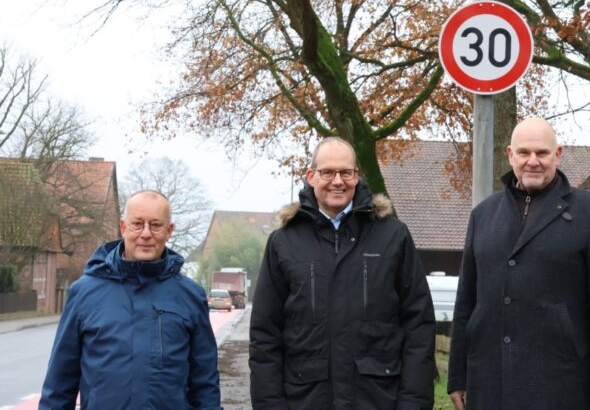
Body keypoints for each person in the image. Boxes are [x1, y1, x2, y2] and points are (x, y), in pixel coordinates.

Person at [448, 118, 590, 410]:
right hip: (489, 382)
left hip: (561, 384)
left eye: (542, 153)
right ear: (510, 155)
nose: (533, 161)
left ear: (558, 154)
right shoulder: (483, 215)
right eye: (524, 153)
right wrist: (458, 376)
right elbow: (466, 302)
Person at [249, 137, 436, 409]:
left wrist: (413, 404)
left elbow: (418, 326)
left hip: (378, 400)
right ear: (311, 176)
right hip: (305, 401)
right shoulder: (284, 242)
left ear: (356, 176)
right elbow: (265, 335)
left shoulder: (393, 236)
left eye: (346, 172)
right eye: (327, 172)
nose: (338, 181)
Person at [39, 190, 222, 410]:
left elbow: (205, 383)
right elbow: (60, 381)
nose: (146, 234)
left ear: (169, 230)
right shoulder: (85, 292)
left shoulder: (190, 296)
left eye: (155, 225)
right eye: (137, 224)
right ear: (123, 227)